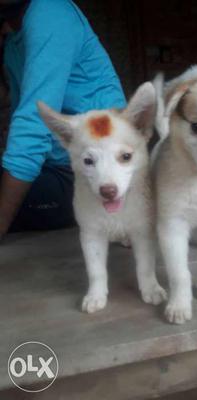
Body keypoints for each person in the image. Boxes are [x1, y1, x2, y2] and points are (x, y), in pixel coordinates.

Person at [0, 0, 126, 240]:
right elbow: (16, 105)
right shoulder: (14, 42)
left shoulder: (49, 11)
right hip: (54, 166)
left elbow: (32, 127)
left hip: (89, 177)